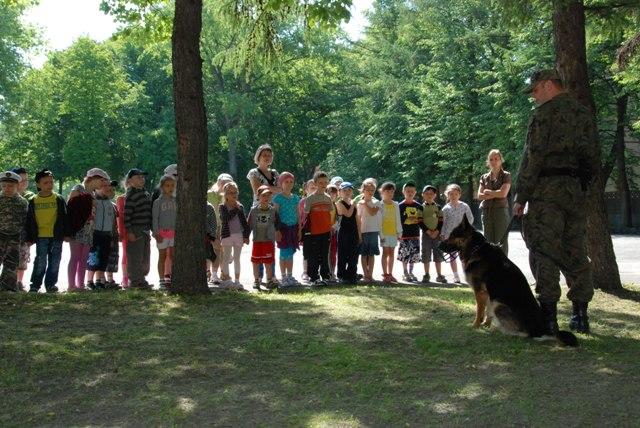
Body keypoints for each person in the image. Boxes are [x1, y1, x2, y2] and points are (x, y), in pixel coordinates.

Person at [514, 69, 599, 334]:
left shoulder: (544, 115)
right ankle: (581, 315)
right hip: (574, 192)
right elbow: (593, 157)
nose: (534, 97)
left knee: (544, 250)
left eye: (536, 90)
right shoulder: (583, 113)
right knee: (576, 248)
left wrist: (522, 195)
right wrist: (579, 184)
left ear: (549, 85)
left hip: (546, 192)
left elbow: (533, 158)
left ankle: (549, 316)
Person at [66, 168, 110, 292]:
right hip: (77, 230)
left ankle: (80, 285)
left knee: (84, 258)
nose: (103, 183)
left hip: (89, 231)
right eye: (101, 180)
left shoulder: (94, 195)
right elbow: (70, 208)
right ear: (93, 178)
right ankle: (71, 285)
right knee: (75, 257)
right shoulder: (78, 188)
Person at [25, 170, 67, 293]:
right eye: (45, 183)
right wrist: (29, 237)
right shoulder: (33, 201)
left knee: (55, 261)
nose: (49, 185)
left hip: (56, 236)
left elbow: (64, 217)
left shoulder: (58, 199)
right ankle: (35, 285)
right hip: (41, 236)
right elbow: (29, 221)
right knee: (40, 261)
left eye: (51, 182)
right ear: (38, 185)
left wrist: (67, 234)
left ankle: (51, 284)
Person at [302, 171, 335, 286]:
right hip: (314, 232)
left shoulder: (328, 198)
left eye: (326, 182)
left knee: (325, 254)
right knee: (314, 255)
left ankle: (325, 276)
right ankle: (314, 278)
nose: (323, 184)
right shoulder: (310, 199)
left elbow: (330, 214)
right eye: (320, 182)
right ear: (315, 183)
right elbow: (305, 216)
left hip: (326, 231)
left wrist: (331, 227)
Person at [86, 180, 119, 290]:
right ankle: (89, 281)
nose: (107, 188)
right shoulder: (93, 201)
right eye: (104, 186)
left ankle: (99, 280)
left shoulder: (111, 204)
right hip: (95, 234)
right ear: (96, 188)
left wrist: (113, 235)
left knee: (104, 258)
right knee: (93, 257)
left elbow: (113, 221)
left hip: (107, 234)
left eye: (109, 186)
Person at [478, 149, 511, 255]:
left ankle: (502, 269)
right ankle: (490, 269)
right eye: (491, 159)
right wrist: (495, 193)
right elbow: (479, 195)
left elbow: (503, 194)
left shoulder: (506, 175)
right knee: (488, 243)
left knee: (501, 242)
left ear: (501, 160)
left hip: (501, 212)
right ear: (488, 162)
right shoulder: (484, 177)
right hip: (486, 212)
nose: (494, 161)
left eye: (496, 158)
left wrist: (488, 192)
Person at [124, 168, 153, 290]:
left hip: (146, 229)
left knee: (145, 256)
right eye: (138, 177)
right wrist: (130, 231)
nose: (142, 179)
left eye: (142, 177)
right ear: (130, 181)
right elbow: (127, 216)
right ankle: (135, 281)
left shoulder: (145, 194)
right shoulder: (131, 195)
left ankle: (142, 279)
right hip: (136, 229)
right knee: (135, 256)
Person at [0, 171, 29, 292]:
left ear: (17, 186)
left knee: (11, 264)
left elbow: (26, 221)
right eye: (4, 186)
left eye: (11, 186)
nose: (7, 188)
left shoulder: (22, 202)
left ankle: (7, 289)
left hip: (15, 238)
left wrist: (25, 240)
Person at [218, 182, 250, 288]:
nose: (234, 194)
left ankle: (237, 280)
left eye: (235, 192)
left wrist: (246, 236)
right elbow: (226, 218)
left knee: (237, 258)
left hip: (238, 236)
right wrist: (235, 209)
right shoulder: (222, 207)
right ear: (225, 195)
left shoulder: (240, 206)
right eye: (231, 193)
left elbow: (244, 223)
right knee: (226, 258)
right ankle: (226, 279)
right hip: (227, 235)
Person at [441, 184, 474, 284]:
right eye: (451, 194)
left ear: (459, 194)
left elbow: (471, 219)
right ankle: (455, 276)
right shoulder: (445, 209)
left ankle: (466, 275)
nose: (453, 196)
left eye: (456, 194)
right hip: (450, 236)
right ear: (447, 195)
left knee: (464, 256)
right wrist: (442, 234)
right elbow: (443, 223)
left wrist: (466, 231)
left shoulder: (464, 206)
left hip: (463, 237)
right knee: (452, 256)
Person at [272, 172, 301, 287]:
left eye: (291, 182)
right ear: (281, 183)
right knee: (284, 253)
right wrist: (277, 230)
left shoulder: (295, 198)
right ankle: (283, 276)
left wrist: (299, 229)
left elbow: (298, 214)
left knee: (291, 253)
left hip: (293, 228)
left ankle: (290, 275)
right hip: (282, 229)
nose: (289, 184)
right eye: (286, 182)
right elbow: (275, 215)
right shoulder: (277, 198)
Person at [249, 185, 280, 290]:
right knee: (256, 261)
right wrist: (246, 236)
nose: (266, 198)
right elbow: (249, 224)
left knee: (269, 261)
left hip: (269, 240)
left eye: (268, 195)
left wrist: (278, 232)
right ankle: (256, 280)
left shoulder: (273, 211)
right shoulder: (253, 211)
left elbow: (278, 224)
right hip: (257, 240)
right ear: (258, 197)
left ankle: (269, 280)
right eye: (263, 195)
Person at [206, 173, 233, 285]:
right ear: (218, 183)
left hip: (225, 226)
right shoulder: (210, 193)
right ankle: (211, 273)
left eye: (227, 183)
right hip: (213, 226)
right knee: (214, 250)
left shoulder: (230, 195)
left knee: (224, 251)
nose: (225, 185)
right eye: (222, 182)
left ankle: (223, 273)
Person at [11, 167, 34, 291]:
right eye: (22, 180)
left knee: (22, 261)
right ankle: (9, 283)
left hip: (24, 236)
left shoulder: (30, 198)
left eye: (27, 179)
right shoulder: (5, 196)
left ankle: (19, 283)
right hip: (6, 236)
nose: (25, 182)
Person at [152, 175, 177, 290]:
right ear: (162, 187)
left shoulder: (175, 201)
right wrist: (156, 233)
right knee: (162, 257)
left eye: (172, 185)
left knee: (172, 256)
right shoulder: (158, 202)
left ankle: (172, 277)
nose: (170, 188)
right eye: (167, 185)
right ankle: (162, 280)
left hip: (174, 233)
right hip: (162, 233)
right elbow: (155, 218)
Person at [397, 182, 423, 282]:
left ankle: (411, 272)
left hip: (415, 234)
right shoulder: (400, 206)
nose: (410, 193)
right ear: (403, 192)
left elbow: (421, 220)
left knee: (413, 256)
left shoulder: (419, 206)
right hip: (404, 235)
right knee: (404, 255)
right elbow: (397, 221)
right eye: (408, 191)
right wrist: (398, 234)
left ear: (415, 192)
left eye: (412, 191)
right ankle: (405, 272)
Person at [335, 182, 361, 284]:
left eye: (349, 190)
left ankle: (352, 275)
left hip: (354, 232)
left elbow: (357, 219)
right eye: (344, 190)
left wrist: (359, 234)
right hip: (344, 233)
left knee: (353, 255)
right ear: (340, 192)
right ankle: (342, 275)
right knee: (343, 255)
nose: (347, 192)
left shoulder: (353, 203)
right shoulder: (339, 203)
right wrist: (353, 204)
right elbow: (348, 214)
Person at [357, 178, 382, 282]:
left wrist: (366, 203)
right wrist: (358, 234)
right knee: (363, 254)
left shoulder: (377, 202)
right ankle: (365, 274)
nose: (370, 192)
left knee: (371, 254)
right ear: (363, 190)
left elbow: (372, 212)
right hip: (363, 231)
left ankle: (370, 274)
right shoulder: (359, 203)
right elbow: (358, 219)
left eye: (372, 190)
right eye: (368, 190)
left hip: (373, 231)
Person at [421, 185, 446, 284]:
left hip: (437, 235)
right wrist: (428, 231)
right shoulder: (421, 207)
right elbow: (420, 221)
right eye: (427, 193)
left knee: (438, 254)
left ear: (435, 195)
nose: (429, 195)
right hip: (426, 235)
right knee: (426, 254)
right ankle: (426, 274)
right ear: (423, 195)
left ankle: (439, 275)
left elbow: (441, 221)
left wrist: (436, 231)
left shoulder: (438, 207)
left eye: (431, 193)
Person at [379, 182, 402, 283]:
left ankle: (390, 273)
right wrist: (381, 235)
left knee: (392, 253)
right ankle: (385, 274)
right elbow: (379, 221)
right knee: (385, 253)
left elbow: (398, 219)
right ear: (382, 192)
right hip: (384, 233)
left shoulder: (396, 204)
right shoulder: (380, 204)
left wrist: (399, 232)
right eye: (387, 191)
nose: (390, 193)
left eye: (392, 191)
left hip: (393, 233)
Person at [299, 179, 317, 282]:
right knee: (307, 252)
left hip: (318, 229)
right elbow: (301, 217)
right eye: (312, 188)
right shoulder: (302, 202)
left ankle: (314, 271)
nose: (314, 190)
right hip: (307, 229)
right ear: (306, 190)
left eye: (316, 188)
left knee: (316, 252)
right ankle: (305, 271)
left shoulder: (320, 200)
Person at [104, 181, 121, 289]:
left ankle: (110, 278)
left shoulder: (114, 206)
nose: (112, 192)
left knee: (113, 258)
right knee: (104, 257)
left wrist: (118, 232)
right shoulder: (101, 204)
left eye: (113, 190)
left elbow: (117, 221)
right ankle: (102, 279)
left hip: (114, 236)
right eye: (109, 190)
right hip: (105, 236)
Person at [116, 178, 130, 288]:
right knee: (126, 254)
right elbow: (120, 218)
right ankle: (125, 278)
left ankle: (134, 277)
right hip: (125, 231)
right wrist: (120, 232)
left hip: (137, 231)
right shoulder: (121, 199)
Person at [326, 184, 340, 280]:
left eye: (334, 193)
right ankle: (326, 272)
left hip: (334, 232)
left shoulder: (335, 205)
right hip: (325, 232)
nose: (332, 195)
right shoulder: (324, 205)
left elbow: (338, 219)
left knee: (333, 253)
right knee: (325, 253)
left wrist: (334, 227)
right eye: (330, 193)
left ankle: (332, 272)